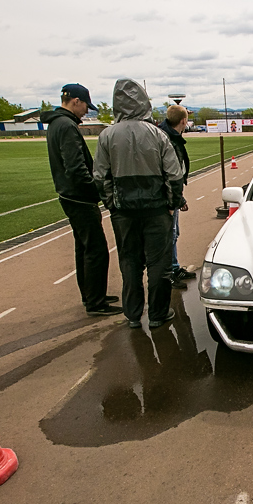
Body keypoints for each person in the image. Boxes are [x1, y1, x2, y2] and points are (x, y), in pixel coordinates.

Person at [94, 79, 186, 329]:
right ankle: (158, 313)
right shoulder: (158, 134)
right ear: (144, 103)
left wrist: (112, 205)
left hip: (124, 212)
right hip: (157, 210)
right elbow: (174, 175)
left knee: (130, 262)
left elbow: (100, 177)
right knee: (160, 264)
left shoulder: (107, 136)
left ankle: (133, 314)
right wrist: (171, 204)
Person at [43, 84, 121, 317]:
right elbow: (76, 167)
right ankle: (95, 301)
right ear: (76, 101)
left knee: (84, 248)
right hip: (79, 198)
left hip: (71, 196)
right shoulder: (66, 126)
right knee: (96, 250)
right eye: (86, 105)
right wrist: (96, 190)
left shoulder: (57, 124)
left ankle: (91, 294)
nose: (86, 111)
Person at [157, 104, 194, 288]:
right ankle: (169, 272)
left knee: (174, 232)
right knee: (169, 234)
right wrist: (176, 200)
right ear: (183, 121)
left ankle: (174, 266)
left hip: (173, 192)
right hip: (168, 195)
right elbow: (170, 172)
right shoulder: (167, 138)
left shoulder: (172, 136)